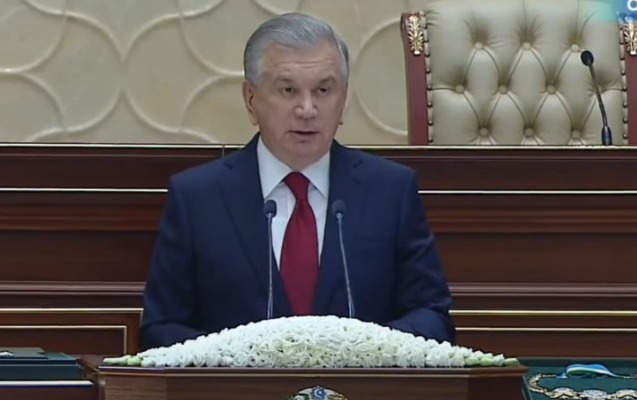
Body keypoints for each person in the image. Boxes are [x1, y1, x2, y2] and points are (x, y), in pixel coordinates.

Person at [139, 12, 455, 351]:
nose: (307, 109)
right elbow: (161, 329)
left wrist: (366, 351)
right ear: (251, 99)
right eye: (288, 90)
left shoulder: (390, 191)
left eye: (323, 90)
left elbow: (432, 318)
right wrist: (237, 359)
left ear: (343, 99)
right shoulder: (198, 198)